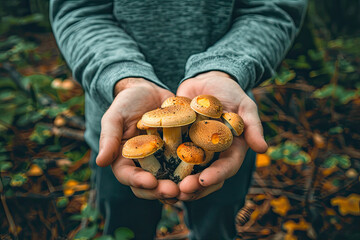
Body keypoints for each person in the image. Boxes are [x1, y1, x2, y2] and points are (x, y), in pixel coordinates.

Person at [50, 0, 307, 239]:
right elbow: (79, 12)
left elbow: (273, 9)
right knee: (125, 228)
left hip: (228, 117)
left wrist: (226, 69)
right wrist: (121, 77)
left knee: (216, 227)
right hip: (123, 133)